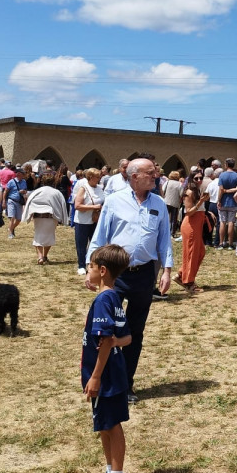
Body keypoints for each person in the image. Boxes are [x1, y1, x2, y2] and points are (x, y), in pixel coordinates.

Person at [86, 158, 173, 402]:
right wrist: (90, 268)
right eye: (150, 173)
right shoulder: (114, 201)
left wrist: (166, 271)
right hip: (115, 274)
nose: (155, 176)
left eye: (155, 172)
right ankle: (99, 378)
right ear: (134, 176)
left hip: (144, 274)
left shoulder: (159, 203)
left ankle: (126, 385)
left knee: (135, 331)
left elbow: (164, 239)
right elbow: (100, 235)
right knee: (106, 329)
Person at [80, 243, 133, 473]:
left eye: (90, 267)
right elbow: (126, 338)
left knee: (111, 425)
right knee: (103, 424)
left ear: (102, 270)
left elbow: (105, 342)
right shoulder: (113, 296)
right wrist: (113, 343)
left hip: (105, 376)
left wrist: (96, 376)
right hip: (112, 373)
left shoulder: (103, 300)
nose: (87, 271)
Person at [26, 172, 70, 264]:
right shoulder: (56, 192)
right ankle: (44, 256)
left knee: (38, 235)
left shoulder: (37, 191)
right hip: (51, 217)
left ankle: (40, 257)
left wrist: (29, 214)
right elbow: (62, 204)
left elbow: (30, 201)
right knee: (49, 236)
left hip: (38, 217)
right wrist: (63, 217)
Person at [73, 168, 106, 275]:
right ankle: (81, 265)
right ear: (90, 177)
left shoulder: (99, 188)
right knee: (81, 244)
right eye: (97, 177)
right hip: (82, 221)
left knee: (95, 243)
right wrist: (94, 206)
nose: (99, 178)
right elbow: (77, 205)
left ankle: (93, 264)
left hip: (95, 220)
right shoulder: (83, 188)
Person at [179, 184, 207, 295]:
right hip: (190, 226)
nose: (199, 180)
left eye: (201, 177)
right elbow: (189, 212)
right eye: (196, 178)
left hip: (196, 226)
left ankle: (181, 275)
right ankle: (189, 283)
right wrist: (200, 202)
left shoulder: (197, 191)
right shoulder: (189, 193)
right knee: (192, 255)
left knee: (200, 252)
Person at [216, 160, 237, 251]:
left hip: (223, 201)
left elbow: (221, 190)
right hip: (233, 202)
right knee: (231, 222)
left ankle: (221, 243)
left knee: (222, 222)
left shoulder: (222, 175)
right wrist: (230, 190)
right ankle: (230, 244)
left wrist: (219, 200)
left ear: (226, 165)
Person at [5, 164, 30, 239]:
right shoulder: (11, 182)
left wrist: (24, 192)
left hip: (19, 202)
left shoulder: (24, 182)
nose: (24, 175)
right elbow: (6, 191)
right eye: (23, 174)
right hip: (11, 200)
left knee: (18, 219)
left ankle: (11, 228)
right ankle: (10, 234)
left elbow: (25, 191)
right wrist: (4, 201)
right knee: (12, 218)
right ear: (19, 174)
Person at [163, 170, 184, 234]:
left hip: (166, 201)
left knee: (165, 217)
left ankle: (164, 230)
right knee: (174, 218)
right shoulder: (179, 184)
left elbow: (163, 190)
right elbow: (181, 193)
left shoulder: (167, 182)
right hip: (175, 203)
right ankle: (172, 232)